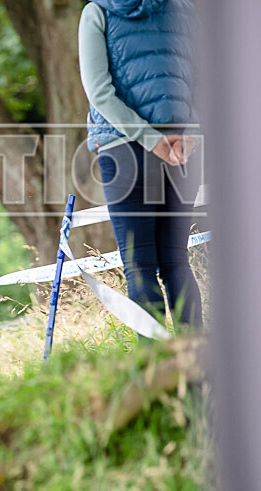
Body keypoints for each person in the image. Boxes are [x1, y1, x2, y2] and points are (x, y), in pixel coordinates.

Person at [78, 0, 203, 338]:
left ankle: (155, 375)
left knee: (140, 267)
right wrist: (187, 134)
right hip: (182, 152)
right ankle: (200, 369)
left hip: (124, 152)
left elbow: (100, 93)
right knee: (176, 261)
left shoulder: (98, 12)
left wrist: (149, 139)